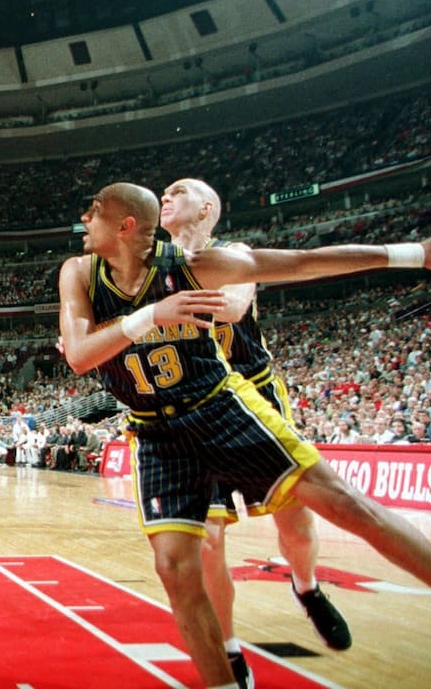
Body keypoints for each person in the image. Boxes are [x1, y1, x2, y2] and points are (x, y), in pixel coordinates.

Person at [57, 182, 431, 689]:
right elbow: (79, 356)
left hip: (221, 407)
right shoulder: (78, 272)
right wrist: (151, 316)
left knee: (343, 504)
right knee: (176, 566)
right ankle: (227, 672)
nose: (84, 217)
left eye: (95, 211)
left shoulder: (195, 264)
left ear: (125, 226)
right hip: (157, 434)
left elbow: (301, 262)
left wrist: (415, 254)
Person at [160, 178, 351, 687]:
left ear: (205, 208)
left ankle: (306, 586)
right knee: (208, 542)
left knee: (296, 525)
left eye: (176, 191)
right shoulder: (154, 263)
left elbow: (233, 306)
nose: (165, 196)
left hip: (254, 391)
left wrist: (160, 299)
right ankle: (228, 650)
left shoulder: (234, 253)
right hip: (198, 407)